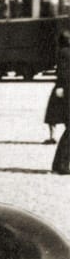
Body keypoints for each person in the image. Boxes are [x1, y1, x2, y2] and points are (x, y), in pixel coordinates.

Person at [53, 30, 70, 174]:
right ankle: (61, 165)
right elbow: (63, 73)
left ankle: (60, 165)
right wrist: (61, 86)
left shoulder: (64, 52)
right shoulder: (66, 53)